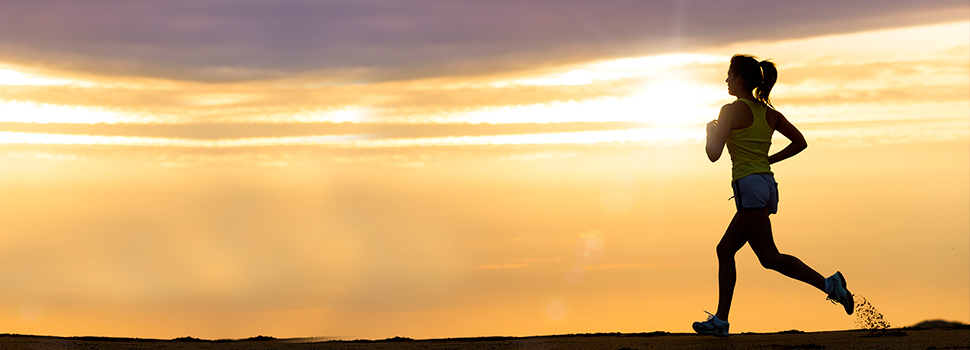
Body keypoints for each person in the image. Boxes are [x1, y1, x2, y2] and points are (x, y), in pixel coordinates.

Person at [692, 54, 854, 338]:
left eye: (729, 75)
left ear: (739, 78)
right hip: (766, 185)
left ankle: (831, 285)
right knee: (725, 250)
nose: (726, 80)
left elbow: (713, 155)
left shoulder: (730, 110)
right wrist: (768, 160)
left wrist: (710, 132)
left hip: (749, 186)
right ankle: (720, 321)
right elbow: (800, 142)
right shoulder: (769, 113)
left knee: (769, 257)